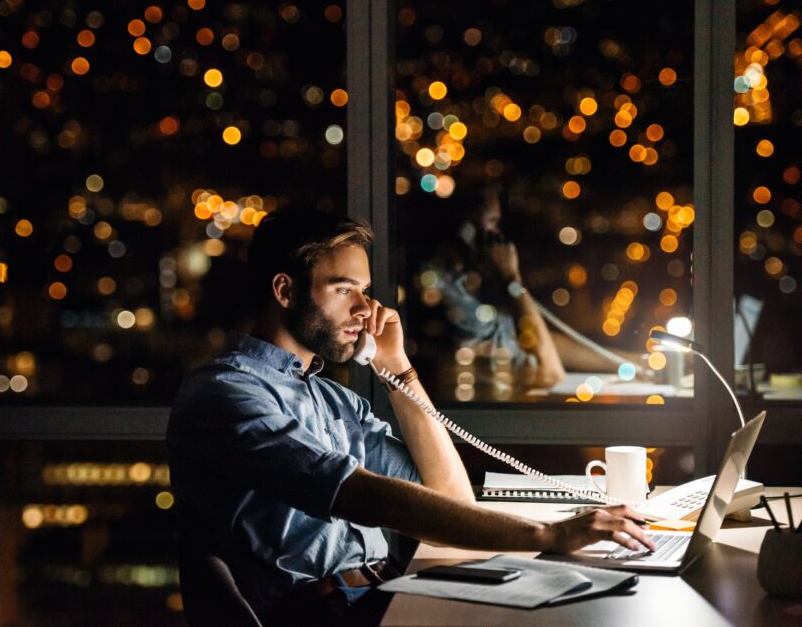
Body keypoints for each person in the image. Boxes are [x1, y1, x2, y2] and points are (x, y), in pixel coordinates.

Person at [166, 208, 653, 626]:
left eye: (365, 290)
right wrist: (546, 535)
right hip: (327, 614)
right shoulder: (225, 395)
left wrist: (398, 369)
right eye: (344, 290)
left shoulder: (334, 401)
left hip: (388, 591)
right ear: (285, 291)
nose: (366, 308)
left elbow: (450, 496)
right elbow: (360, 495)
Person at [431, 185, 634, 388]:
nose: (498, 234)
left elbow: (541, 342)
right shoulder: (452, 302)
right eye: (492, 222)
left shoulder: (466, 285)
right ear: (465, 229)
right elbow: (548, 371)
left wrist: (633, 362)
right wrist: (511, 278)